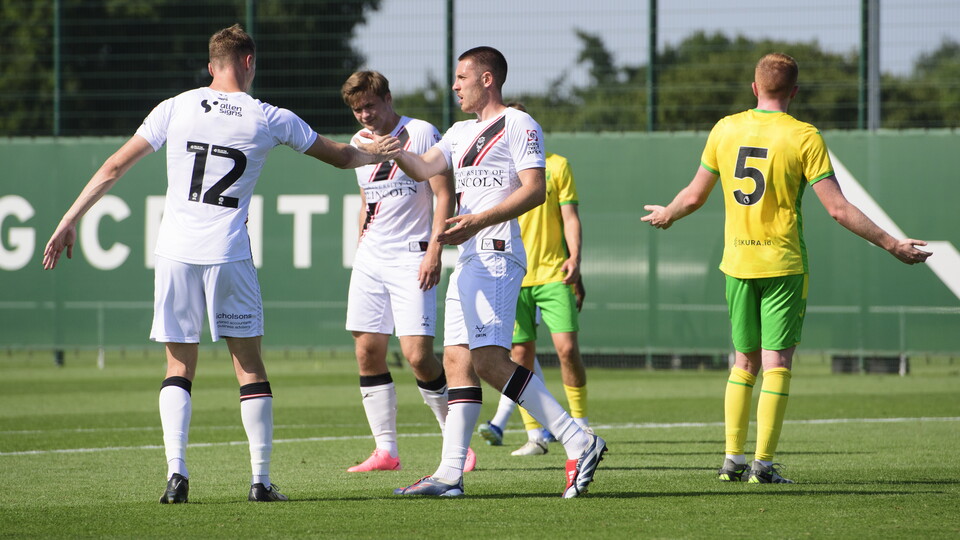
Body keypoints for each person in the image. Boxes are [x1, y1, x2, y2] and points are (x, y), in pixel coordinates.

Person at [41, 24, 398, 503]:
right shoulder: (269, 116)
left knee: (177, 365)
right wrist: (372, 151)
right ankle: (260, 480)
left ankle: (176, 475)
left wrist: (69, 218)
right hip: (229, 252)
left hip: (174, 253)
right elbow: (338, 156)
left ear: (212, 66)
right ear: (249, 62)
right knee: (248, 365)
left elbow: (113, 167)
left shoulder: (176, 106)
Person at [641, 53, 932, 484]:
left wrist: (668, 212)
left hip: (737, 262)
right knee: (776, 362)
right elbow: (837, 209)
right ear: (794, 91)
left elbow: (694, 196)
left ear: (754, 88)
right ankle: (762, 465)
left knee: (743, 363)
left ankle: (731, 462)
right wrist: (891, 244)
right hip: (782, 262)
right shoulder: (804, 136)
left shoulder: (726, 128)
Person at [377, 46, 606, 498]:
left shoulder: (520, 124)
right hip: (468, 257)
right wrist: (394, 150)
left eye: (462, 77)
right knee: (458, 362)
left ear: (487, 79)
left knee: (487, 361)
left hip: (498, 253)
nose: (455, 85)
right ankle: (449, 474)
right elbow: (423, 167)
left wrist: (478, 221)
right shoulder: (460, 132)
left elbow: (536, 190)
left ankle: (579, 439)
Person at [339, 71, 475, 473]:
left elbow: (444, 193)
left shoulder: (420, 132)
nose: (364, 115)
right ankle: (386, 451)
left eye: (370, 105)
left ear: (388, 99)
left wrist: (435, 250)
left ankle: (457, 443)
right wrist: (360, 245)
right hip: (371, 257)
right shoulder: (357, 143)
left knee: (418, 356)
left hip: (412, 256)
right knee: (366, 351)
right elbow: (366, 198)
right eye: (357, 109)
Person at [477, 102, 592, 456]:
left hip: (553, 274)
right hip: (513, 274)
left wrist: (575, 258)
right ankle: (535, 435)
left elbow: (570, 217)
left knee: (567, 350)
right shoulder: (496, 173)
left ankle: (582, 425)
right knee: (520, 355)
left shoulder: (556, 166)